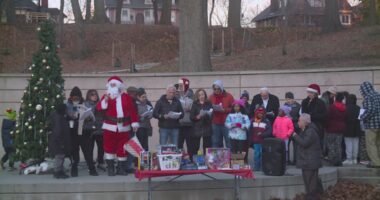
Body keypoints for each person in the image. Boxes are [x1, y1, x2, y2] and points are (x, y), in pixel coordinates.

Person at [96, 76, 140, 176]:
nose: (113, 87)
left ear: (119, 86)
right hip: (109, 126)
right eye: (111, 85)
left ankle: (120, 168)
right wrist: (105, 100)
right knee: (109, 147)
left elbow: (132, 111)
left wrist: (134, 122)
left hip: (124, 127)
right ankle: (110, 169)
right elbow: (100, 108)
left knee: (123, 148)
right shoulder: (106, 96)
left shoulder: (126, 97)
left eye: (114, 85)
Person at [67, 86, 98, 177]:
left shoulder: (84, 105)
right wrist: (71, 116)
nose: (76, 99)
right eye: (74, 97)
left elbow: (91, 118)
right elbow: (66, 117)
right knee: (74, 152)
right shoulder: (68, 105)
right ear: (71, 97)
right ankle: (74, 169)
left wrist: (88, 117)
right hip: (72, 132)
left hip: (83, 131)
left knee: (87, 151)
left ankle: (92, 169)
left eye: (78, 97)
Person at [291, 114, 323, 200]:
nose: (298, 122)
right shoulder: (305, 130)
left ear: (305, 122)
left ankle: (312, 197)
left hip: (310, 162)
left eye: (299, 121)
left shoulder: (310, 131)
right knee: (309, 183)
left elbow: (304, 143)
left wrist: (294, 135)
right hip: (307, 161)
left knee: (310, 183)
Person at [359, 81, 380, 168]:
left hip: (371, 125)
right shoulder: (378, 95)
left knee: (371, 144)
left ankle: (376, 163)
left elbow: (370, 110)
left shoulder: (368, 97)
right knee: (378, 143)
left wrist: (362, 117)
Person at [83, 89, 105, 171]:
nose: (94, 96)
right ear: (88, 96)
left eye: (95, 94)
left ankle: (100, 162)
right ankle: (90, 164)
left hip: (100, 128)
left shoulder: (100, 103)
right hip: (89, 128)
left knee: (101, 147)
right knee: (90, 147)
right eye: (92, 94)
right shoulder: (85, 104)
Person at [209, 80, 234, 148]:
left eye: (218, 89)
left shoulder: (229, 96)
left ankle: (229, 157)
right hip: (215, 122)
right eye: (215, 89)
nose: (216, 90)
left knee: (228, 141)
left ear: (221, 88)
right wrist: (211, 110)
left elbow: (234, 108)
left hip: (226, 122)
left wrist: (225, 110)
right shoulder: (211, 97)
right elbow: (208, 107)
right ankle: (217, 158)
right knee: (215, 142)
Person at [49, 103, 71, 179]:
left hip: (58, 140)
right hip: (59, 141)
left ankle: (60, 170)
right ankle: (57, 171)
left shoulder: (59, 117)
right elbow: (58, 131)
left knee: (61, 156)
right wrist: (61, 142)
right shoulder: (59, 118)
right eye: (65, 109)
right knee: (59, 156)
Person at [189, 89, 213, 157]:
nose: (201, 96)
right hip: (197, 128)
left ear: (205, 95)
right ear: (197, 96)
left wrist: (208, 114)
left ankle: (207, 161)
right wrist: (198, 117)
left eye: (202, 94)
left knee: (207, 146)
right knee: (195, 147)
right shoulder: (195, 104)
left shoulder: (209, 103)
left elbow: (212, 115)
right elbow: (191, 117)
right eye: (199, 95)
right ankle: (195, 160)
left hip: (207, 127)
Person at [325, 92, 347, 166]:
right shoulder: (344, 107)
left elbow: (327, 117)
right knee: (338, 145)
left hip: (331, 128)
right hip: (340, 129)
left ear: (335, 98)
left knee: (331, 145)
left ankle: (332, 160)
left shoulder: (332, 107)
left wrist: (326, 126)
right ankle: (338, 161)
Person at [249, 107, 272, 171]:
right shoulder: (253, 121)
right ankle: (256, 166)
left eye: (262, 113)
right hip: (256, 141)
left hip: (263, 141)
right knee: (257, 154)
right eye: (259, 113)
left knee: (263, 154)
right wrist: (251, 141)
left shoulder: (266, 121)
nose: (260, 115)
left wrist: (262, 134)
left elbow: (269, 131)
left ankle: (263, 166)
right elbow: (250, 131)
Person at [343, 94, 362, 165]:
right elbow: (360, 118)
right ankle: (355, 159)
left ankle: (349, 159)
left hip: (347, 128)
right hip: (356, 128)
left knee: (348, 144)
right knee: (355, 144)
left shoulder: (345, 107)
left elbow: (344, 118)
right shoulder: (359, 108)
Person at [177, 78, 194, 150]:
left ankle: (190, 158)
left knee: (190, 144)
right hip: (179, 123)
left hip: (189, 124)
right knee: (179, 144)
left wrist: (189, 109)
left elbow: (192, 107)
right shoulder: (177, 96)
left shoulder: (191, 96)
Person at [284, 92, 301, 164]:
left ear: (292, 98)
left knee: (296, 145)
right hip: (287, 128)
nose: (288, 101)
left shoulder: (298, 106)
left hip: (295, 127)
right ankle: (287, 160)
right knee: (286, 145)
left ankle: (296, 160)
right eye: (287, 99)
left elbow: (300, 116)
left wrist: (293, 118)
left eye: (289, 99)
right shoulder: (285, 105)